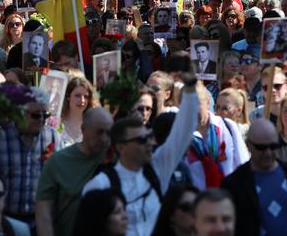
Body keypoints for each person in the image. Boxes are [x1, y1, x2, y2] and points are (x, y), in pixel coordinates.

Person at [82, 75, 199, 236]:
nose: (150, 143)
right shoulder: (99, 185)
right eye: (142, 139)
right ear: (121, 146)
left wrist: (191, 87)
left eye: (150, 137)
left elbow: (183, 132)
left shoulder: (158, 171)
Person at [0, 88, 63, 230]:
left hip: (42, 219)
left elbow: (61, 177)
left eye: (45, 115)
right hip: (6, 218)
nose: (42, 119)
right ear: (20, 113)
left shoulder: (53, 137)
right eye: (36, 115)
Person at [221, 119, 287, 235]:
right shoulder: (233, 185)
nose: (268, 152)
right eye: (261, 148)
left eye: (273, 146)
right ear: (248, 145)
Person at [36, 107, 114, 236]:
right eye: (99, 132)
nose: (105, 139)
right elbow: (44, 215)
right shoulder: (58, 162)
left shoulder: (116, 157)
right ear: (83, 130)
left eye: (109, 133)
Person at [185, 85, 249, 190]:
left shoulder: (227, 126)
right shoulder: (181, 135)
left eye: (197, 103)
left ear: (208, 103)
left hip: (227, 196)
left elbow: (243, 163)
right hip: (197, 200)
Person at [59, 76, 94, 147]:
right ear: (68, 96)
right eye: (78, 96)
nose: (82, 100)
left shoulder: (93, 125)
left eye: (86, 97)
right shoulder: (56, 123)